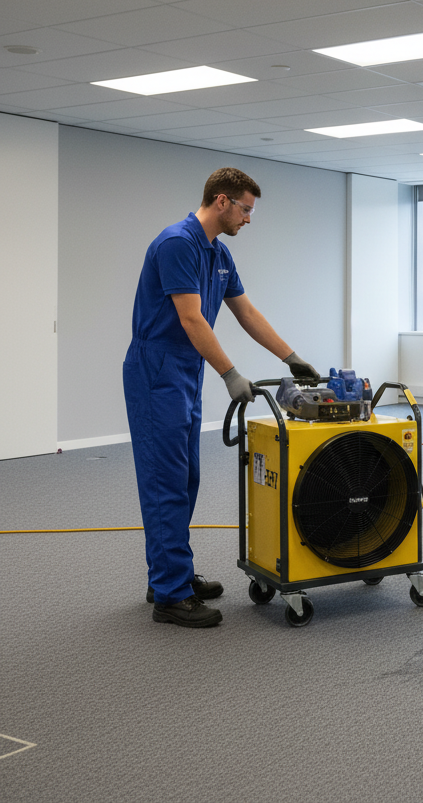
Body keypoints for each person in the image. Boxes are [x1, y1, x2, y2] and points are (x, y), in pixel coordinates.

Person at [123, 167, 319, 628]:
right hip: (157, 370)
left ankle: (170, 574)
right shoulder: (177, 244)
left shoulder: (218, 252)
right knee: (165, 480)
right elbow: (192, 320)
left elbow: (245, 311)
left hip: (185, 370)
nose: (249, 218)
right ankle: (169, 595)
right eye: (246, 209)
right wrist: (231, 374)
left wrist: (291, 358)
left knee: (185, 477)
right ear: (222, 201)